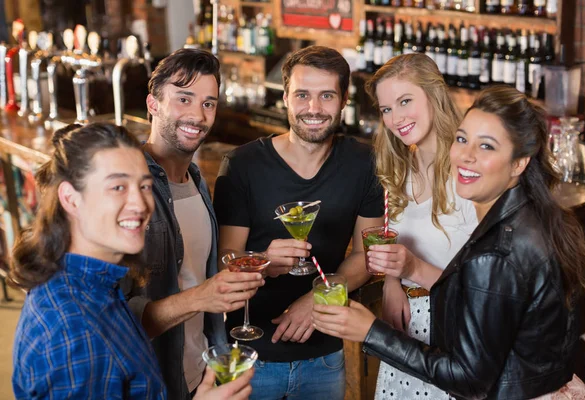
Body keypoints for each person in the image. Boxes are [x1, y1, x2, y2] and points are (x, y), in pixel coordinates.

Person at [312, 86, 585, 399]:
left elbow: (469, 381)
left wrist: (371, 332)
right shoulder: (541, 219)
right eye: (462, 139)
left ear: (519, 163)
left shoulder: (496, 253)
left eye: (486, 146)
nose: (465, 155)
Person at [10, 123, 254, 400]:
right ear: (70, 199)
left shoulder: (96, 285)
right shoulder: (73, 330)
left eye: (145, 186)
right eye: (118, 187)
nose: (140, 203)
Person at [213, 45, 384, 399]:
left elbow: (368, 255)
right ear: (286, 97)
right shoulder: (243, 165)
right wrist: (261, 263)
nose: (314, 109)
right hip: (250, 356)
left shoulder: (365, 163)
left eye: (326, 96)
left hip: (325, 356)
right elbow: (223, 258)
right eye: (302, 95)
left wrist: (318, 297)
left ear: (342, 99)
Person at [121, 48, 264, 399]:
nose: (198, 115)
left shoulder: (196, 179)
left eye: (209, 103)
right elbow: (117, 316)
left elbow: (196, 275)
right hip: (153, 382)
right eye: (184, 98)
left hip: (200, 375)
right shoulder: (127, 188)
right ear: (153, 104)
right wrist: (203, 296)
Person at [363, 54, 479, 399]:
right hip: (407, 328)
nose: (396, 119)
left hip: (454, 330)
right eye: (386, 110)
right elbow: (394, 244)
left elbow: (486, 286)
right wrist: (392, 283)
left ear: (434, 94)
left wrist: (413, 269)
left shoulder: (470, 170)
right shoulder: (399, 166)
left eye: (405, 101)